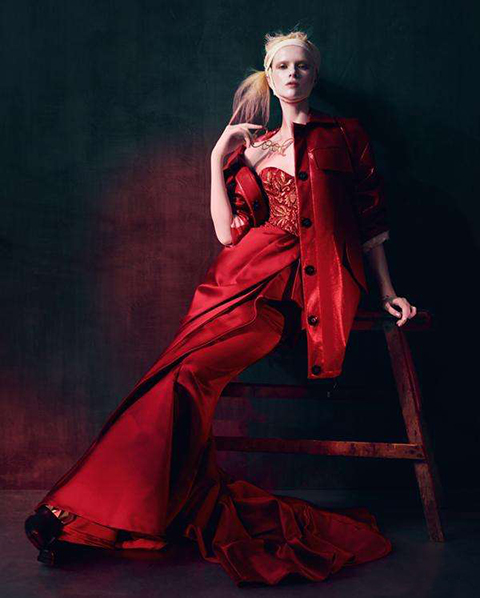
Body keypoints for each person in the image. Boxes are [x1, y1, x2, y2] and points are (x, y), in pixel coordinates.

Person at [24, 29, 416, 587]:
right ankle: (82, 515)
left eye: (303, 65)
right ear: (269, 76)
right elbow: (228, 234)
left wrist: (387, 291)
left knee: (189, 378)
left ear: (315, 74)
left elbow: (371, 222)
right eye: (283, 66)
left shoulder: (344, 136)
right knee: (171, 378)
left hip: (288, 293)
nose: (293, 74)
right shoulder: (252, 149)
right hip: (231, 283)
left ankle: (95, 513)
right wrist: (217, 156)